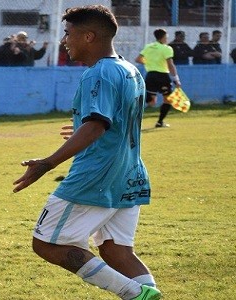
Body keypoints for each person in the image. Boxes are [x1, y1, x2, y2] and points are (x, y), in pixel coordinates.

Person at [13, 5, 161, 300]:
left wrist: (48, 163)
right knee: (115, 249)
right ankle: (149, 295)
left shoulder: (100, 73)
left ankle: (134, 293)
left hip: (96, 176)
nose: (64, 40)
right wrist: (83, 128)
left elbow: (97, 124)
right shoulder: (129, 69)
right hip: (129, 175)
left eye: (68, 34)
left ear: (89, 36)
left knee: (46, 244)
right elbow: (108, 122)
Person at [135, 28, 181, 128]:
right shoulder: (167, 48)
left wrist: (150, 63)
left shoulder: (148, 46)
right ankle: (160, 122)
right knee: (168, 100)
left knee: (151, 102)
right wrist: (176, 79)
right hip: (162, 76)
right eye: (166, 37)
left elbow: (138, 59)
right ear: (164, 37)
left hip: (150, 76)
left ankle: (132, 117)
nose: (167, 39)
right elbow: (171, 65)